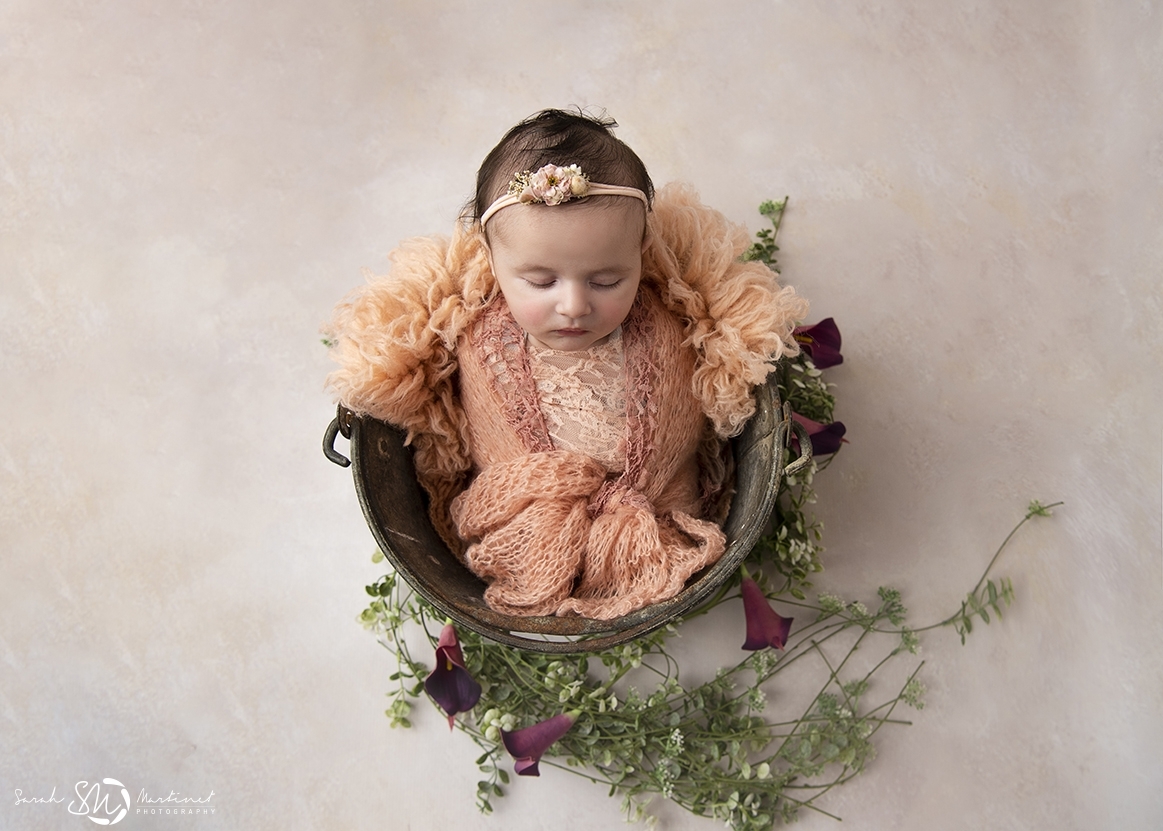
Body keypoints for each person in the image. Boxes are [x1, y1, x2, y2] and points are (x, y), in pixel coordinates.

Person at [326, 109, 808, 620]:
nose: (575, 305)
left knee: (667, 506)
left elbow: (684, 420)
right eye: (540, 281)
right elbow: (475, 430)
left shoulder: (667, 323)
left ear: (642, 253)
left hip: (653, 514)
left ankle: (636, 548)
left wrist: (643, 495)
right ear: (491, 260)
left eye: (606, 281)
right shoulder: (479, 337)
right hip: (524, 514)